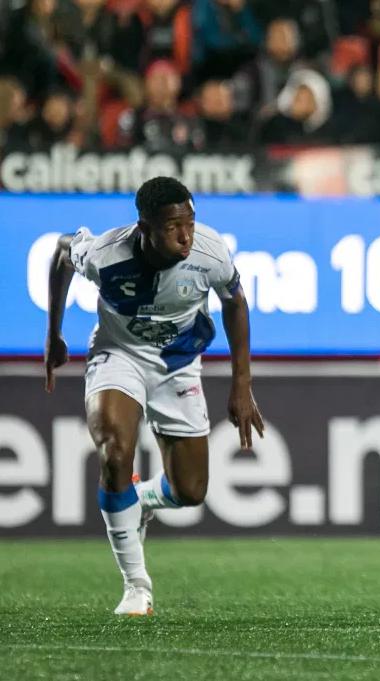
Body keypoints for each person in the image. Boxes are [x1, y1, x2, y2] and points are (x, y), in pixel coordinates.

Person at [44, 176, 265, 616]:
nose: (186, 235)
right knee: (114, 449)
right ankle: (136, 586)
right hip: (118, 354)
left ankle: (141, 500)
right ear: (143, 227)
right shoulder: (107, 254)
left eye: (190, 221)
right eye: (172, 226)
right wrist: (53, 333)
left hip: (179, 363)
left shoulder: (209, 251)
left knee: (191, 490)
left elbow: (235, 302)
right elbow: (63, 251)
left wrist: (242, 383)